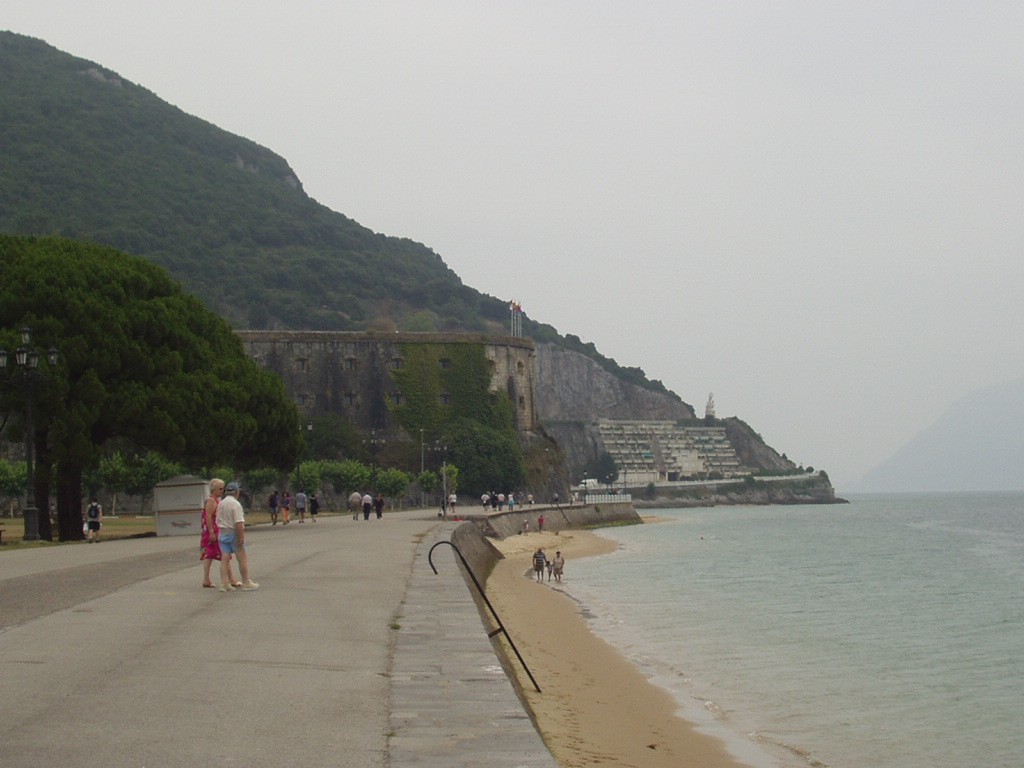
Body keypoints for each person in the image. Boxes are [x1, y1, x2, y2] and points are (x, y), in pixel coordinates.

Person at [216, 481, 258, 592]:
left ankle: (224, 583)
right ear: (237, 493)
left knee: (225, 558)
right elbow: (238, 522)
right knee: (242, 558)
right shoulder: (236, 504)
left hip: (222, 532)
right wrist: (241, 536)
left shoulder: (221, 503)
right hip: (233, 532)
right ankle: (246, 581)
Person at [200, 480, 226, 588]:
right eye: (220, 489)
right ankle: (228, 579)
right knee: (224, 554)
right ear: (213, 489)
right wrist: (211, 531)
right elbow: (208, 517)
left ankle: (206, 579)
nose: (222, 491)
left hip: (215, 530)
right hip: (212, 532)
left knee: (209, 554)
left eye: (222, 488)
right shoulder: (211, 501)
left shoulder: (216, 500)